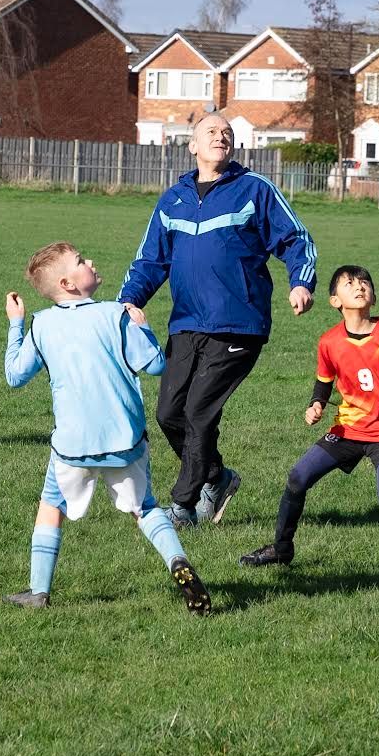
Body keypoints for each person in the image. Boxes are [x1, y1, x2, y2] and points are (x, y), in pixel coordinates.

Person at [117, 113, 317, 529]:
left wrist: (301, 282)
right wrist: (127, 301)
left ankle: (183, 506)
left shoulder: (254, 190)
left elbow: (296, 237)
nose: (221, 136)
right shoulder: (173, 199)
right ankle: (217, 477)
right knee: (169, 413)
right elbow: (150, 260)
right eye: (211, 131)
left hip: (238, 323)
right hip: (187, 322)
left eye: (227, 132)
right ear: (192, 145)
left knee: (199, 412)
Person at [3, 241, 211, 615]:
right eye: (81, 261)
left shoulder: (42, 324)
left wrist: (16, 325)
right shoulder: (116, 315)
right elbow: (154, 365)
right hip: (125, 439)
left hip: (72, 445)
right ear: (67, 282)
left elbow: (15, 376)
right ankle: (178, 562)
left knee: (51, 507)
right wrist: (143, 329)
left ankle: (38, 591)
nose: (91, 261)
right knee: (145, 507)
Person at [239, 265, 379, 588]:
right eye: (350, 283)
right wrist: (316, 404)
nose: (360, 286)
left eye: (365, 282)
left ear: (374, 296)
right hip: (346, 430)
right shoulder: (329, 342)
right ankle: (282, 548)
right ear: (336, 301)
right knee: (298, 477)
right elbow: (324, 383)